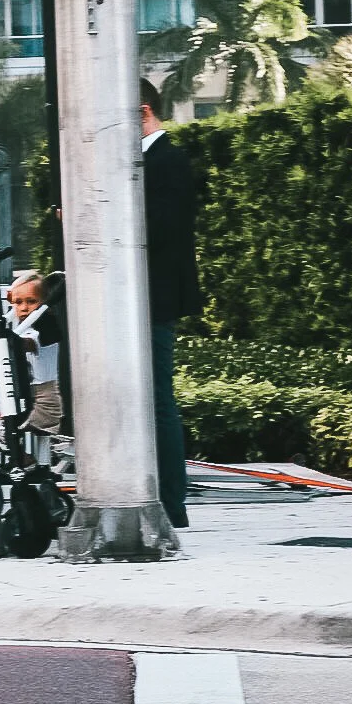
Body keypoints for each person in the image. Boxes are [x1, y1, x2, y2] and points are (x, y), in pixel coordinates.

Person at [141, 77, 200, 529]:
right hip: (144, 298)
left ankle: (171, 499)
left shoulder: (167, 161)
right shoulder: (150, 162)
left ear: (142, 112)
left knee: (159, 399)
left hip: (155, 299)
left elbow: (159, 230)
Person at [4, 271, 64, 434]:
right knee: (1, 429)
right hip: (25, 399)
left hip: (44, 403)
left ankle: (25, 458)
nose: (24, 308)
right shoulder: (21, 328)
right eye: (18, 302)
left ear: (44, 302)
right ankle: (26, 458)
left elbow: (27, 344)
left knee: (7, 432)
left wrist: (1, 342)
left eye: (31, 301)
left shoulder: (46, 327)